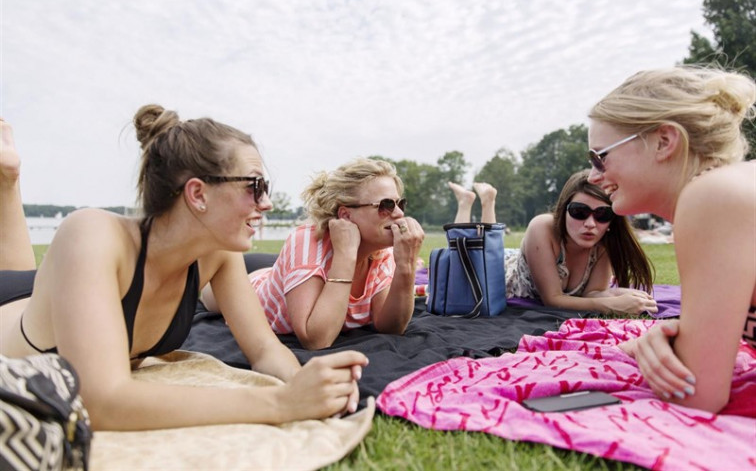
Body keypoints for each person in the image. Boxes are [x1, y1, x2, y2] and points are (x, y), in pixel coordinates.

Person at [0, 109, 367, 431]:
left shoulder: (218, 255)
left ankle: (6, 177)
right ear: (197, 194)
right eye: (255, 186)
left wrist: (304, 384)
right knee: (15, 273)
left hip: (53, 298)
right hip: (10, 308)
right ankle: (7, 178)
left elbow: (265, 351)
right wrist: (281, 404)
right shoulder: (90, 233)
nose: (267, 203)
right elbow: (102, 402)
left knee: (28, 275)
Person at [587, 65, 756, 414]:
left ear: (664, 141)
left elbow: (697, 395)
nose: (593, 176)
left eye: (600, 157)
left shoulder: (712, 195)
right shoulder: (731, 191)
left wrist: (669, 353)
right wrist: (685, 335)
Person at [204, 158, 424, 350]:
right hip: (253, 288)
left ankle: (277, 272)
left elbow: (390, 327)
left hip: (285, 273)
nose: (399, 213)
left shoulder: (381, 252)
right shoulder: (307, 241)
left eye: (399, 203)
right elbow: (316, 340)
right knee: (209, 296)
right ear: (346, 215)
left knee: (277, 272)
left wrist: (406, 264)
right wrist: (345, 256)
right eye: (385, 205)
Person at [447, 173, 657, 315]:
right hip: (504, 272)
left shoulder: (603, 243)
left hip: (522, 257)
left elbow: (591, 294)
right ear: (563, 210)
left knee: (490, 247)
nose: (590, 224)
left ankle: (485, 200)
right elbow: (553, 300)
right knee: (468, 259)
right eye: (579, 212)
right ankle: (471, 202)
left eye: (603, 214)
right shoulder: (542, 227)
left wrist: (619, 294)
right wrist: (612, 305)